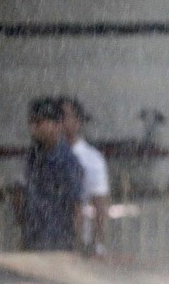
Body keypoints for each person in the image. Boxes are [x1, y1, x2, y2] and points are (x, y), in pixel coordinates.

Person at [15, 97, 84, 251]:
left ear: (57, 125)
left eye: (39, 123)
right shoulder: (32, 156)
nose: (34, 128)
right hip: (33, 238)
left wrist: (76, 246)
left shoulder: (67, 162)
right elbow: (22, 193)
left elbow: (76, 207)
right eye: (31, 123)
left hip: (58, 240)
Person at [57, 96, 111, 258]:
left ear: (78, 121)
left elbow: (100, 205)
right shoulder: (40, 156)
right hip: (48, 239)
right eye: (57, 116)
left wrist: (98, 243)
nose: (61, 122)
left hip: (80, 243)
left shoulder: (91, 158)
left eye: (66, 116)